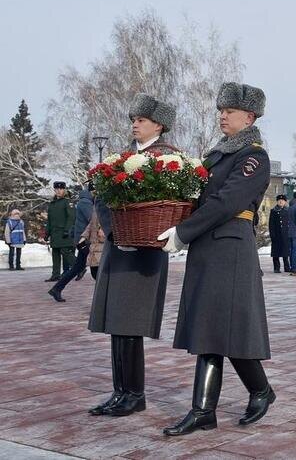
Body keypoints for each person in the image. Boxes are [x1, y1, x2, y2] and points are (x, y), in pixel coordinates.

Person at [159, 82, 274, 436]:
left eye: (230, 111)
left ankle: (257, 391)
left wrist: (183, 232)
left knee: (223, 326)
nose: (222, 116)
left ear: (249, 116)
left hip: (229, 247)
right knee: (211, 326)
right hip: (209, 247)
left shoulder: (254, 157)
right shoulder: (217, 154)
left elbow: (226, 202)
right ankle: (207, 410)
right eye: (221, 110)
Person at [86, 93, 176, 417]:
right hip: (119, 247)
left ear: (158, 125)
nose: (135, 125)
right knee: (116, 323)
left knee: (130, 324)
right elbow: (101, 198)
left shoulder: (169, 160)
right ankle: (119, 391)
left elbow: (170, 204)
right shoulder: (122, 159)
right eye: (133, 120)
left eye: (141, 120)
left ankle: (135, 394)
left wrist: (140, 234)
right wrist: (114, 232)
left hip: (144, 252)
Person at [48, 182, 95, 302]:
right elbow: (93, 220)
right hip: (85, 240)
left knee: (77, 267)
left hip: (84, 239)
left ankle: (57, 288)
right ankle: (102, 298)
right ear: (92, 191)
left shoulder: (86, 201)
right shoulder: (86, 202)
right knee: (97, 268)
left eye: (60, 188)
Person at [45, 181, 75, 282]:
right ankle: (55, 275)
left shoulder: (68, 202)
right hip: (54, 233)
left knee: (65, 252)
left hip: (64, 232)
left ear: (64, 189)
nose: (58, 191)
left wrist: (67, 230)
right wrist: (47, 233)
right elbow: (49, 220)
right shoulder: (52, 204)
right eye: (57, 189)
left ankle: (79, 267)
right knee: (55, 253)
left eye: (61, 189)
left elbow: (71, 217)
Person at [268, 195, 290, 273]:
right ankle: (276, 268)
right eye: (279, 200)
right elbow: (271, 224)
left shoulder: (287, 210)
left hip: (285, 235)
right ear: (277, 201)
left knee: (285, 252)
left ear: (285, 202)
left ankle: (287, 267)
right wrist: (272, 234)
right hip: (276, 235)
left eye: (282, 200)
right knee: (276, 252)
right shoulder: (273, 211)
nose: (281, 202)